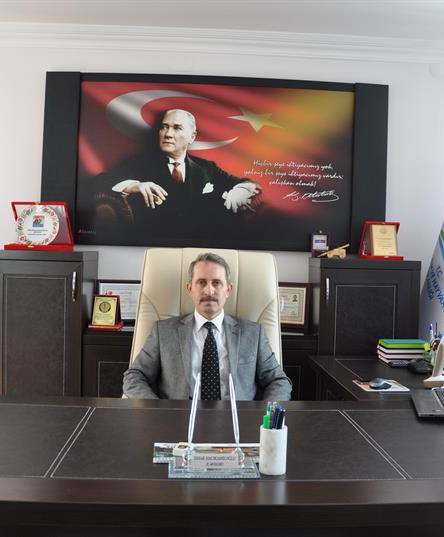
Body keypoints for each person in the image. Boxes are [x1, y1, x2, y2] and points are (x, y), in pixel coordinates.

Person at [122, 252, 292, 400]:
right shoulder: (164, 332)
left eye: (216, 283)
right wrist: (158, 410)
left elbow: (279, 381)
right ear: (190, 288)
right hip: (179, 419)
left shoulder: (253, 333)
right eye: (201, 282)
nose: (209, 291)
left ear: (228, 290)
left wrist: (264, 415)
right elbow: (134, 376)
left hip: (237, 419)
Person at [88, 109, 261, 233]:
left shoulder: (207, 167)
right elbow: (99, 181)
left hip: (199, 243)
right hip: (152, 243)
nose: (168, 134)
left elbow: (248, 183)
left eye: (177, 128)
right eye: (164, 127)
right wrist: (134, 186)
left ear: (192, 137)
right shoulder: (137, 163)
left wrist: (240, 190)